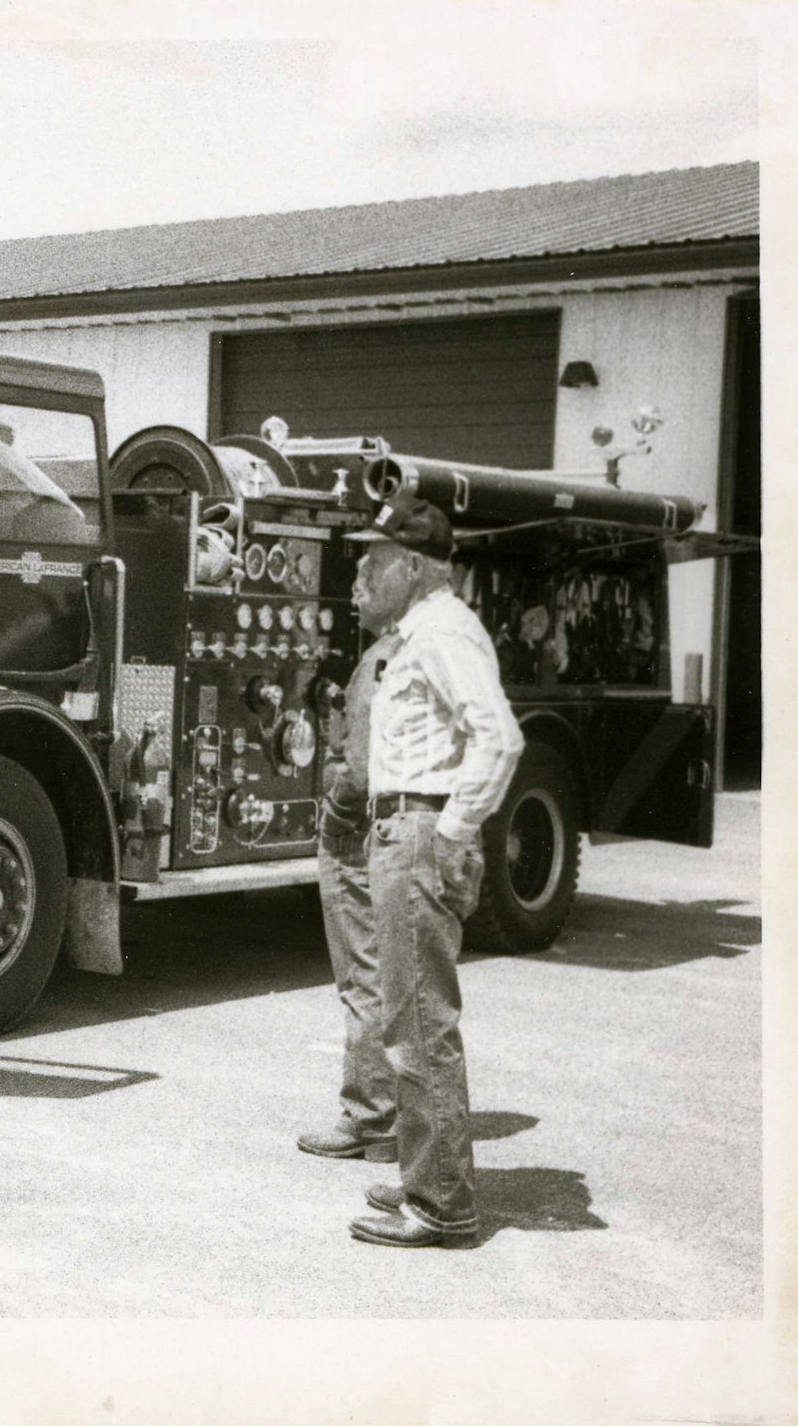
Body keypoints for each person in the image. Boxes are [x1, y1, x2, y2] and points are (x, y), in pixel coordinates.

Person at [340, 493, 522, 1249]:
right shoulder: (423, 628)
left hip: (421, 829)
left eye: (373, 558)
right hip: (404, 828)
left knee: (419, 1024)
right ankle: (427, 1174)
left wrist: (448, 835)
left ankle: (443, 1203)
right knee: (404, 1018)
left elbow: (500, 740)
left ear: (412, 568)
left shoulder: (445, 631)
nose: (361, 570)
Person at [297, 617, 404, 1164]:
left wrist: (334, 817)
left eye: (369, 574)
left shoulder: (380, 657)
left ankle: (370, 1117)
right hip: (393, 824)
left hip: (356, 829)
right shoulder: (424, 648)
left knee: (362, 975)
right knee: (384, 971)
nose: (357, 588)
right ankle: (388, 1116)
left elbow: (359, 766)